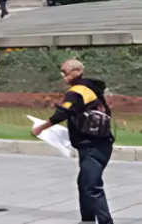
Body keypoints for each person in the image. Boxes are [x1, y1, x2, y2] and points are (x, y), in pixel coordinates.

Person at [31, 59, 115, 224]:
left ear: (77, 72)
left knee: (91, 185)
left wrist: (41, 128)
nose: (63, 75)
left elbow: (63, 113)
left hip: (93, 145)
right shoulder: (91, 89)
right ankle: (87, 220)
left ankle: (106, 222)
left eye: (65, 72)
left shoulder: (78, 91)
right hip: (96, 143)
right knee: (84, 182)